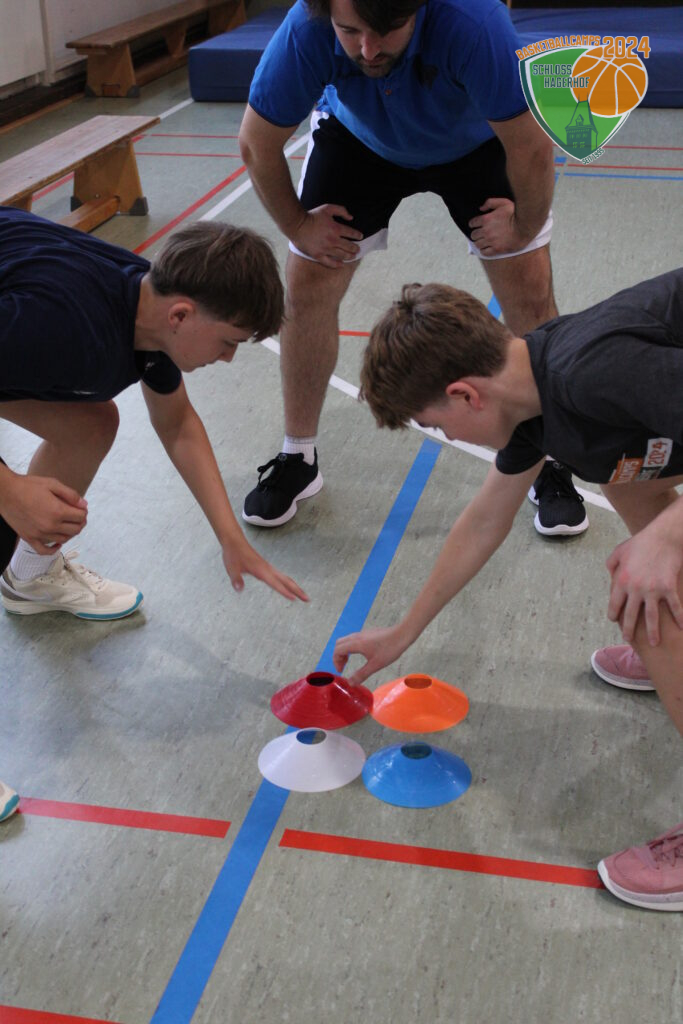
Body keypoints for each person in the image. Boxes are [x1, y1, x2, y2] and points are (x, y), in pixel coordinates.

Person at [332, 269, 683, 911]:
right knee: (623, 473)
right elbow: (485, 520)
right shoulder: (531, 395)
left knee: (646, 595)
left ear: (465, 394)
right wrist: (403, 632)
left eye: (436, 425)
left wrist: (665, 538)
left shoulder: (590, 371)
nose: (448, 438)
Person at [0, 207, 309, 822]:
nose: (228, 358)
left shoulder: (148, 309)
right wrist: (8, 488)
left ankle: (27, 578)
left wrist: (230, 537)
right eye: (229, 342)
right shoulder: (55, 326)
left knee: (91, 423)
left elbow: (177, 423)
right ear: (182, 315)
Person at [237, 0, 587, 536]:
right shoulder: (308, 26)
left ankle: (552, 458)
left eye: (386, 30)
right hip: (359, 138)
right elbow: (256, 142)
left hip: (474, 142)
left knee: (530, 288)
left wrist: (523, 227)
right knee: (307, 284)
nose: (367, 49)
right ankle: (297, 456)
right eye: (350, 31)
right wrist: (298, 226)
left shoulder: (474, 23)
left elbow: (532, 148)